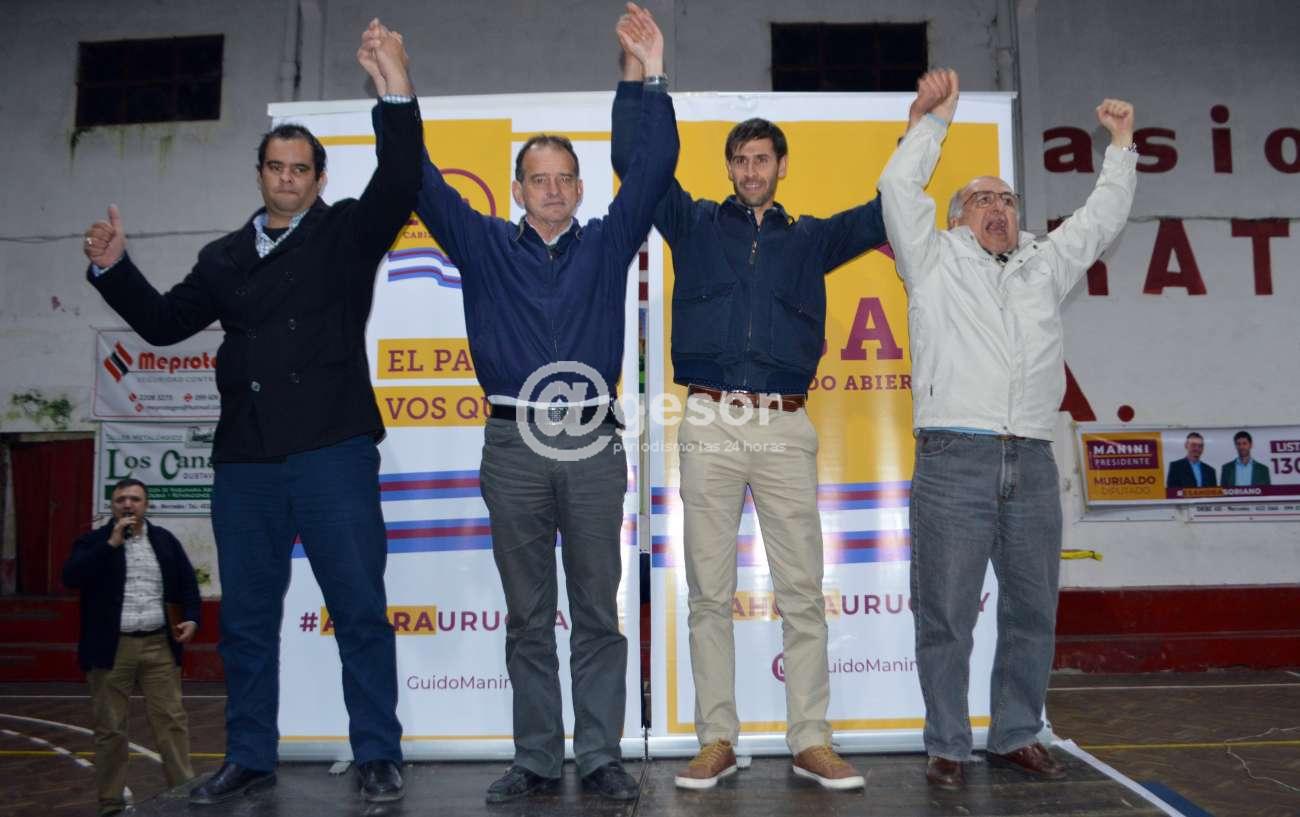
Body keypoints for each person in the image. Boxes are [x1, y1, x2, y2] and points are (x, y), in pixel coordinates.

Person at [80, 20, 421, 805]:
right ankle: (249, 755)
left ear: (319, 178)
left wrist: (395, 87)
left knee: (359, 609)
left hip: (333, 449)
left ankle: (377, 750)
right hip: (246, 462)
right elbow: (165, 323)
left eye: (302, 168)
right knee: (246, 622)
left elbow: (402, 177)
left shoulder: (346, 234)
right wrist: (113, 268)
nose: (288, 178)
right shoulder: (223, 258)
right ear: (260, 172)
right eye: (276, 166)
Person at [387, 3, 676, 803]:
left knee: (597, 612)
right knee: (527, 616)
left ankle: (602, 754)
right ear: (518, 189)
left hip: (591, 446)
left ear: (580, 188)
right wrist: (397, 88)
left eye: (563, 179)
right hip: (512, 447)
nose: (551, 191)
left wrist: (649, 76)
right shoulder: (481, 244)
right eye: (537, 179)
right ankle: (538, 758)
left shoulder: (610, 242)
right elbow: (416, 176)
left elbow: (654, 169)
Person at [613, 20, 901, 797]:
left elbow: (885, 212)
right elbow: (632, 162)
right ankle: (717, 739)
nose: (750, 170)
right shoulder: (692, 224)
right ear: (730, 168)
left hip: (784, 424)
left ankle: (811, 738)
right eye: (739, 159)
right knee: (708, 592)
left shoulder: (809, 241)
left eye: (761, 159)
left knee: (801, 590)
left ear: (779, 166)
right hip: (710, 419)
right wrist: (643, 79)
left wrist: (922, 132)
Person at [878, 68, 1137, 788]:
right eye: (982, 199)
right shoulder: (931, 261)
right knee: (946, 613)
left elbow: (1101, 219)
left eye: (1007, 198)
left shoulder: (1043, 264)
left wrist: (1120, 147)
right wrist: (933, 122)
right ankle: (947, 742)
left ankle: (1016, 731)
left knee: (1030, 610)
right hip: (953, 457)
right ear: (958, 217)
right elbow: (898, 189)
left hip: (1031, 456)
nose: (997, 207)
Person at [62, 478, 201, 817]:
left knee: (171, 722)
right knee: (110, 729)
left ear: (146, 504)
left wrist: (192, 618)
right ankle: (110, 804)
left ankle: (182, 795)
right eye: (121, 499)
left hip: (159, 646)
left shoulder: (165, 541)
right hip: (111, 649)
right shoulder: (93, 542)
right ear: (112, 506)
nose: (128, 504)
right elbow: (71, 577)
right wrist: (110, 544)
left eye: (135, 499)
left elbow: (188, 584)